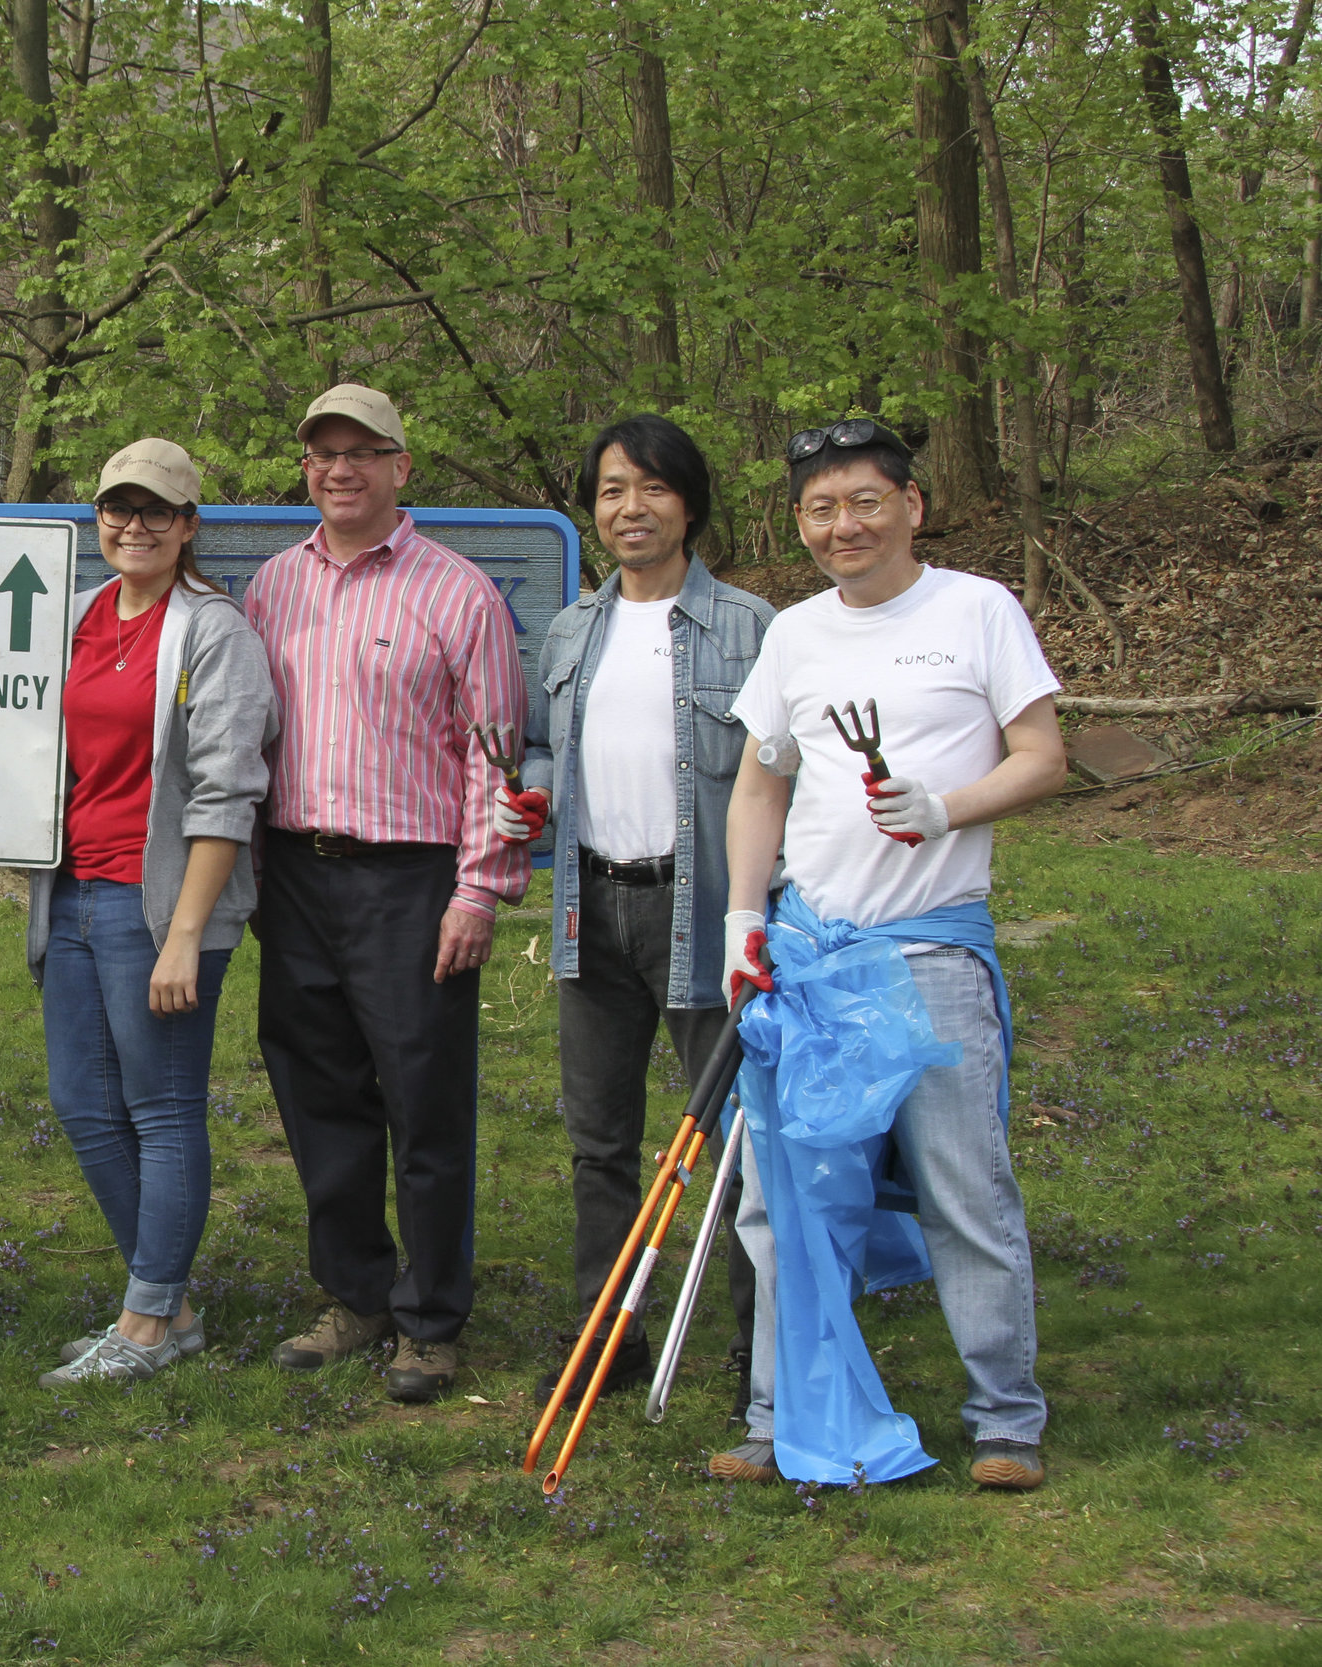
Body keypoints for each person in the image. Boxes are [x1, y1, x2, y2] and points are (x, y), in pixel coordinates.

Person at [713, 418, 1064, 1490]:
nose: (841, 525)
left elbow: (1044, 755)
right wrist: (741, 921)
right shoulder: (796, 636)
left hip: (931, 954)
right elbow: (761, 781)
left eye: (863, 501)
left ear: (912, 504)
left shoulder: (976, 610)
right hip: (814, 956)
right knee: (788, 1198)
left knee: (965, 1188)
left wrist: (945, 806)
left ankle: (1004, 1418)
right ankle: (778, 1418)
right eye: (819, 508)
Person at [245, 384, 529, 1404]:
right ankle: (356, 1292)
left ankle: (431, 1317)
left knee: (425, 1104)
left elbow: (496, 757)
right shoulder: (273, 588)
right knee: (317, 1097)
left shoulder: (458, 593)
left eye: (362, 451)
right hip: (297, 873)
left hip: (410, 880)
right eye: (322, 452)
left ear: (401, 467)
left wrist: (479, 889)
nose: (340, 469)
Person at [504, 415, 772, 1406]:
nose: (630, 507)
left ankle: (761, 1354)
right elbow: (542, 745)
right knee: (599, 1141)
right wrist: (529, 788)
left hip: (705, 912)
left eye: (651, 487)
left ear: (688, 502)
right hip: (592, 908)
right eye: (612, 489)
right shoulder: (573, 629)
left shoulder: (752, 628)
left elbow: (783, 779)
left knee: (739, 1146)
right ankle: (604, 1340)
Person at [21, 439, 274, 1387]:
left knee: (161, 1108)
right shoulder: (81, 616)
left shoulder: (214, 632)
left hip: (158, 906)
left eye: (156, 511)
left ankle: (149, 1319)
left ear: (189, 525)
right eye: (117, 509)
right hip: (75, 894)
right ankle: (167, 1300)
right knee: (83, 1103)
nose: (134, 526)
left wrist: (184, 935)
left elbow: (226, 794)